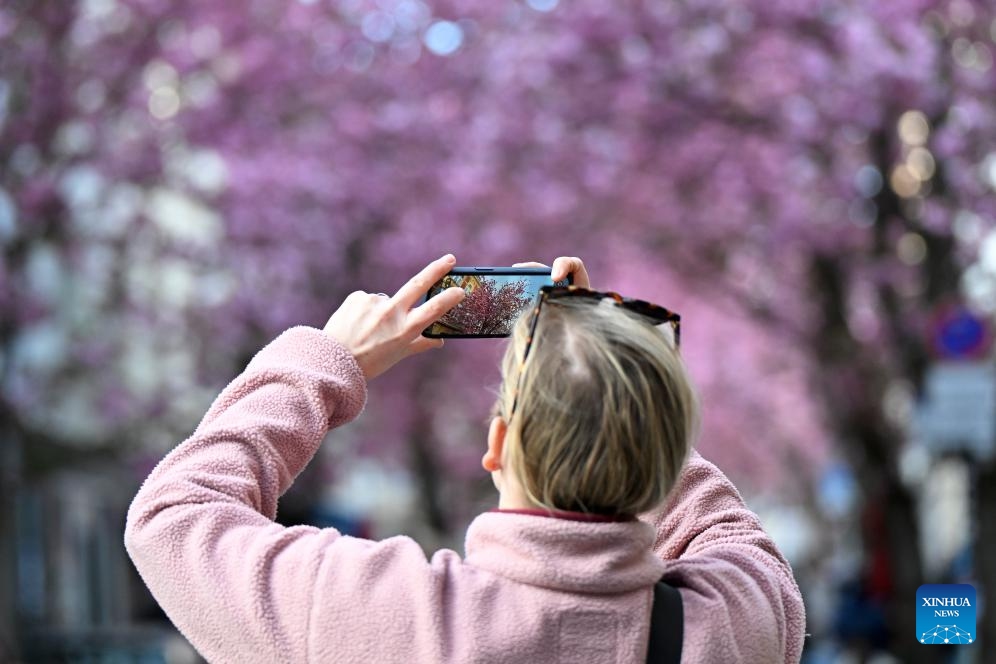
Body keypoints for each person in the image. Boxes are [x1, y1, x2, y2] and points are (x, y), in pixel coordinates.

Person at [125, 254, 806, 663]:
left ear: (499, 445)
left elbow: (173, 517)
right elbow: (731, 533)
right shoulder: (737, 621)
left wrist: (327, 362)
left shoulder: (383, 616)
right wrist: (616, 368)